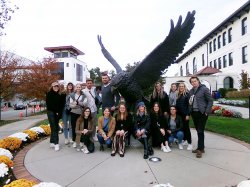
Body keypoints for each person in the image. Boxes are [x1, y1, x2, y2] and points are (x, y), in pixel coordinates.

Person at [189, 76, 213, 158]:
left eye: (195, 81)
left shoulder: (204, 89)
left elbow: (210, 100)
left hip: (202, 113)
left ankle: (200, 149)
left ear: (198, 81)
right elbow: (190, 102)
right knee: (198, 130)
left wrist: (207, 111)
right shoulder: (191, 91)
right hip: (194, 113)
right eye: (192, 82)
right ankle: (201, 147)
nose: (193, 83)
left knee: (200, 131)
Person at [46, 81, 64, 151]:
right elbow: (49, 105)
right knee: (55, 128)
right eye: (54, 86)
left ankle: (52, 142)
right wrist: (56, 111)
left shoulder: (59, 95)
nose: (56, 87)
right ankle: (56, 143)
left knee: (54, 127)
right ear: (52, 87)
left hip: (56, 113)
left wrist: (58, 112)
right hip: (51, 113)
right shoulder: (49, 94)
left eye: (57, 86)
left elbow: (61, 105)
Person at [176, 83, 193, 151]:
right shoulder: (178, 94)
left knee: (186, 129)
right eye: (180, 86)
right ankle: (185, 140)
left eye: (182, 86)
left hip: (185, 114)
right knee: (182, 128)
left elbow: (190, 105)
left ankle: (190, 143)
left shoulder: (187, 94)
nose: (181, 87)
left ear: (184, 87)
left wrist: (188, 114)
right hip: (179, 115)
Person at [69, 83, 87, 148]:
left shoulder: (84, 95)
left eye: (79, 87)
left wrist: (78, 103)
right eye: (77, 87)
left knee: (81, 127)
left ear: (81, 88)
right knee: (74, 127)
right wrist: (78, 105)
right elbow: (71, 105)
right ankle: (74, 141)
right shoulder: (72, 95)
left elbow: (85, 104)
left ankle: (81, 141)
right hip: (73, 113)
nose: (78, 88)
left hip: (81, 113)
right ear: (75, 88)